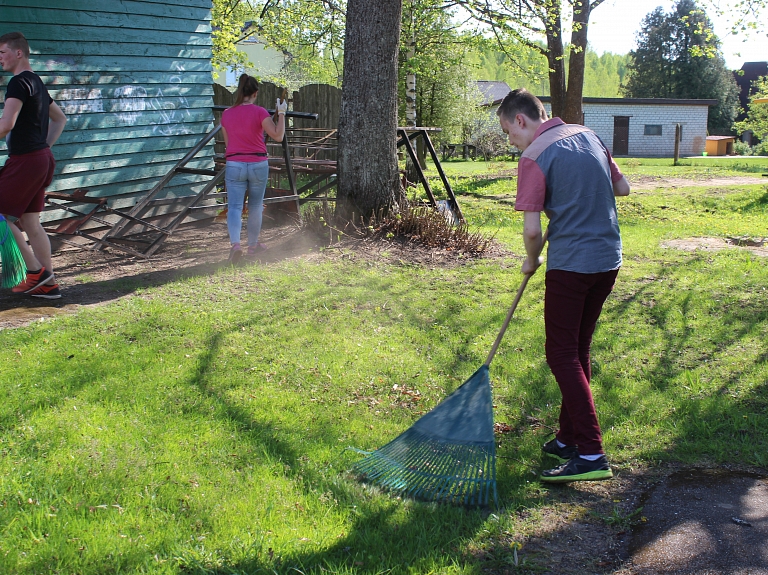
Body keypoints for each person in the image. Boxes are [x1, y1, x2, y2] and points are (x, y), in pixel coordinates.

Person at [497, 88, 630, 483]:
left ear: (521, 120)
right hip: (609, 261)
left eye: (508, 131)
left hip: (573, 266)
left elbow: (533, 230)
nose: (511, 141)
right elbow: (621, 189)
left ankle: (591, 454)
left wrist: (531, 257)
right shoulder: (588, 135)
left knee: (560, 353)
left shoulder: (534, 155)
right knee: (577, 348)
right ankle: (569, 437)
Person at [0, 32, 67, 299]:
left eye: (2, 53)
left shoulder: (18, 83)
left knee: (1, 217)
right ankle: (48, 285)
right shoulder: (36, 82)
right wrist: (45, 147)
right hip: (41, 159)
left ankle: (36, 274)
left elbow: (7, 124)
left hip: (27, 160)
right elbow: (60, 119)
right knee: (30, 221)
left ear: (19, 53)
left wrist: (37, 150)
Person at [220, 74, 287, 263]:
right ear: (255, 93)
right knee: (255, 206)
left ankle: (235, 245)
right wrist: (281, 113)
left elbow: (228, 143)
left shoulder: (226, 114)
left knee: (234, 206)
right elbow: (278, 135)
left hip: (234, 163)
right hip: (258, 164)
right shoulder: (260, 113)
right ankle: (252, 246)